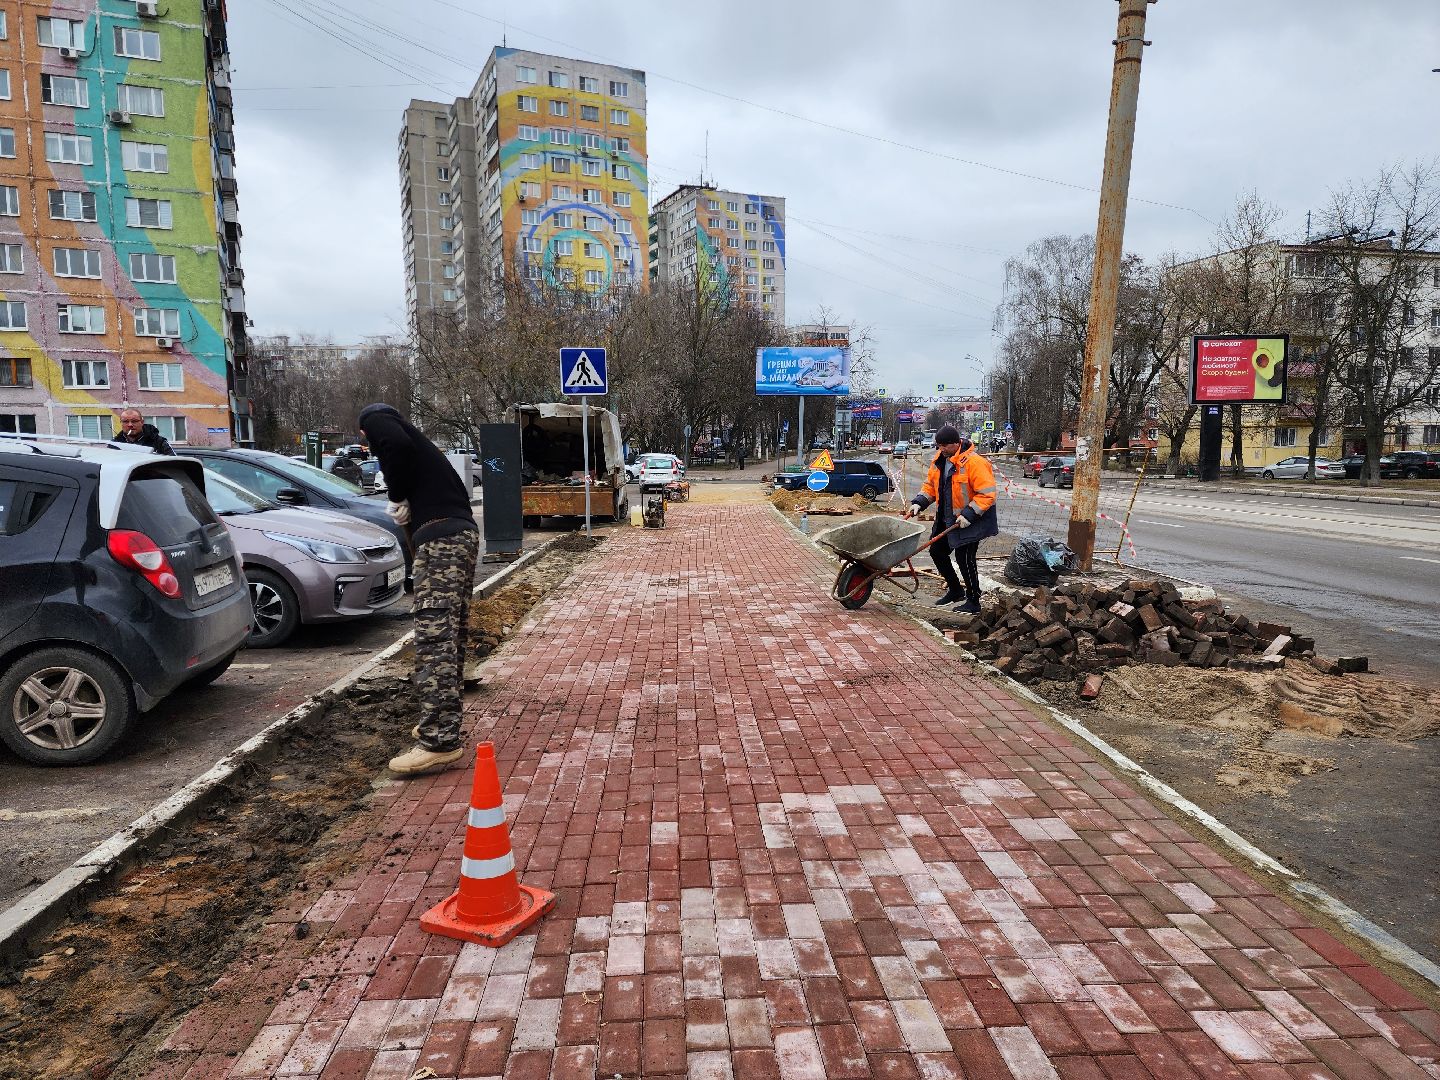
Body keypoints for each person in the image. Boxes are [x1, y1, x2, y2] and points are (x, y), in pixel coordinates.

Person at [358, 403, 479, 776]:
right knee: (449, 636)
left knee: (434, 639)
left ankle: (439, 739)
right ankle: (444, 721)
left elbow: (393, 444)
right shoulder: (427, 450)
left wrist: (396, 495)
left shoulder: (378, 421)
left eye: (368, 440)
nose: (368, 443)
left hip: (442, 543)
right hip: (459, 535)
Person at [903, 425, 998, 615]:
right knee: (937, 552)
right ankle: (956, 590)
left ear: (956, 443)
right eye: (939, 446)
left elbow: (987, 494)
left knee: (965, 559)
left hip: (971, 520)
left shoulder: (974, 463)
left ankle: (973, 600)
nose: (941, 449)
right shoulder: (940, 460)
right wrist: (919, 502)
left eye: (944, 446)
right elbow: (931, 486)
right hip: (947, 518)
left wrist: (969, 514)